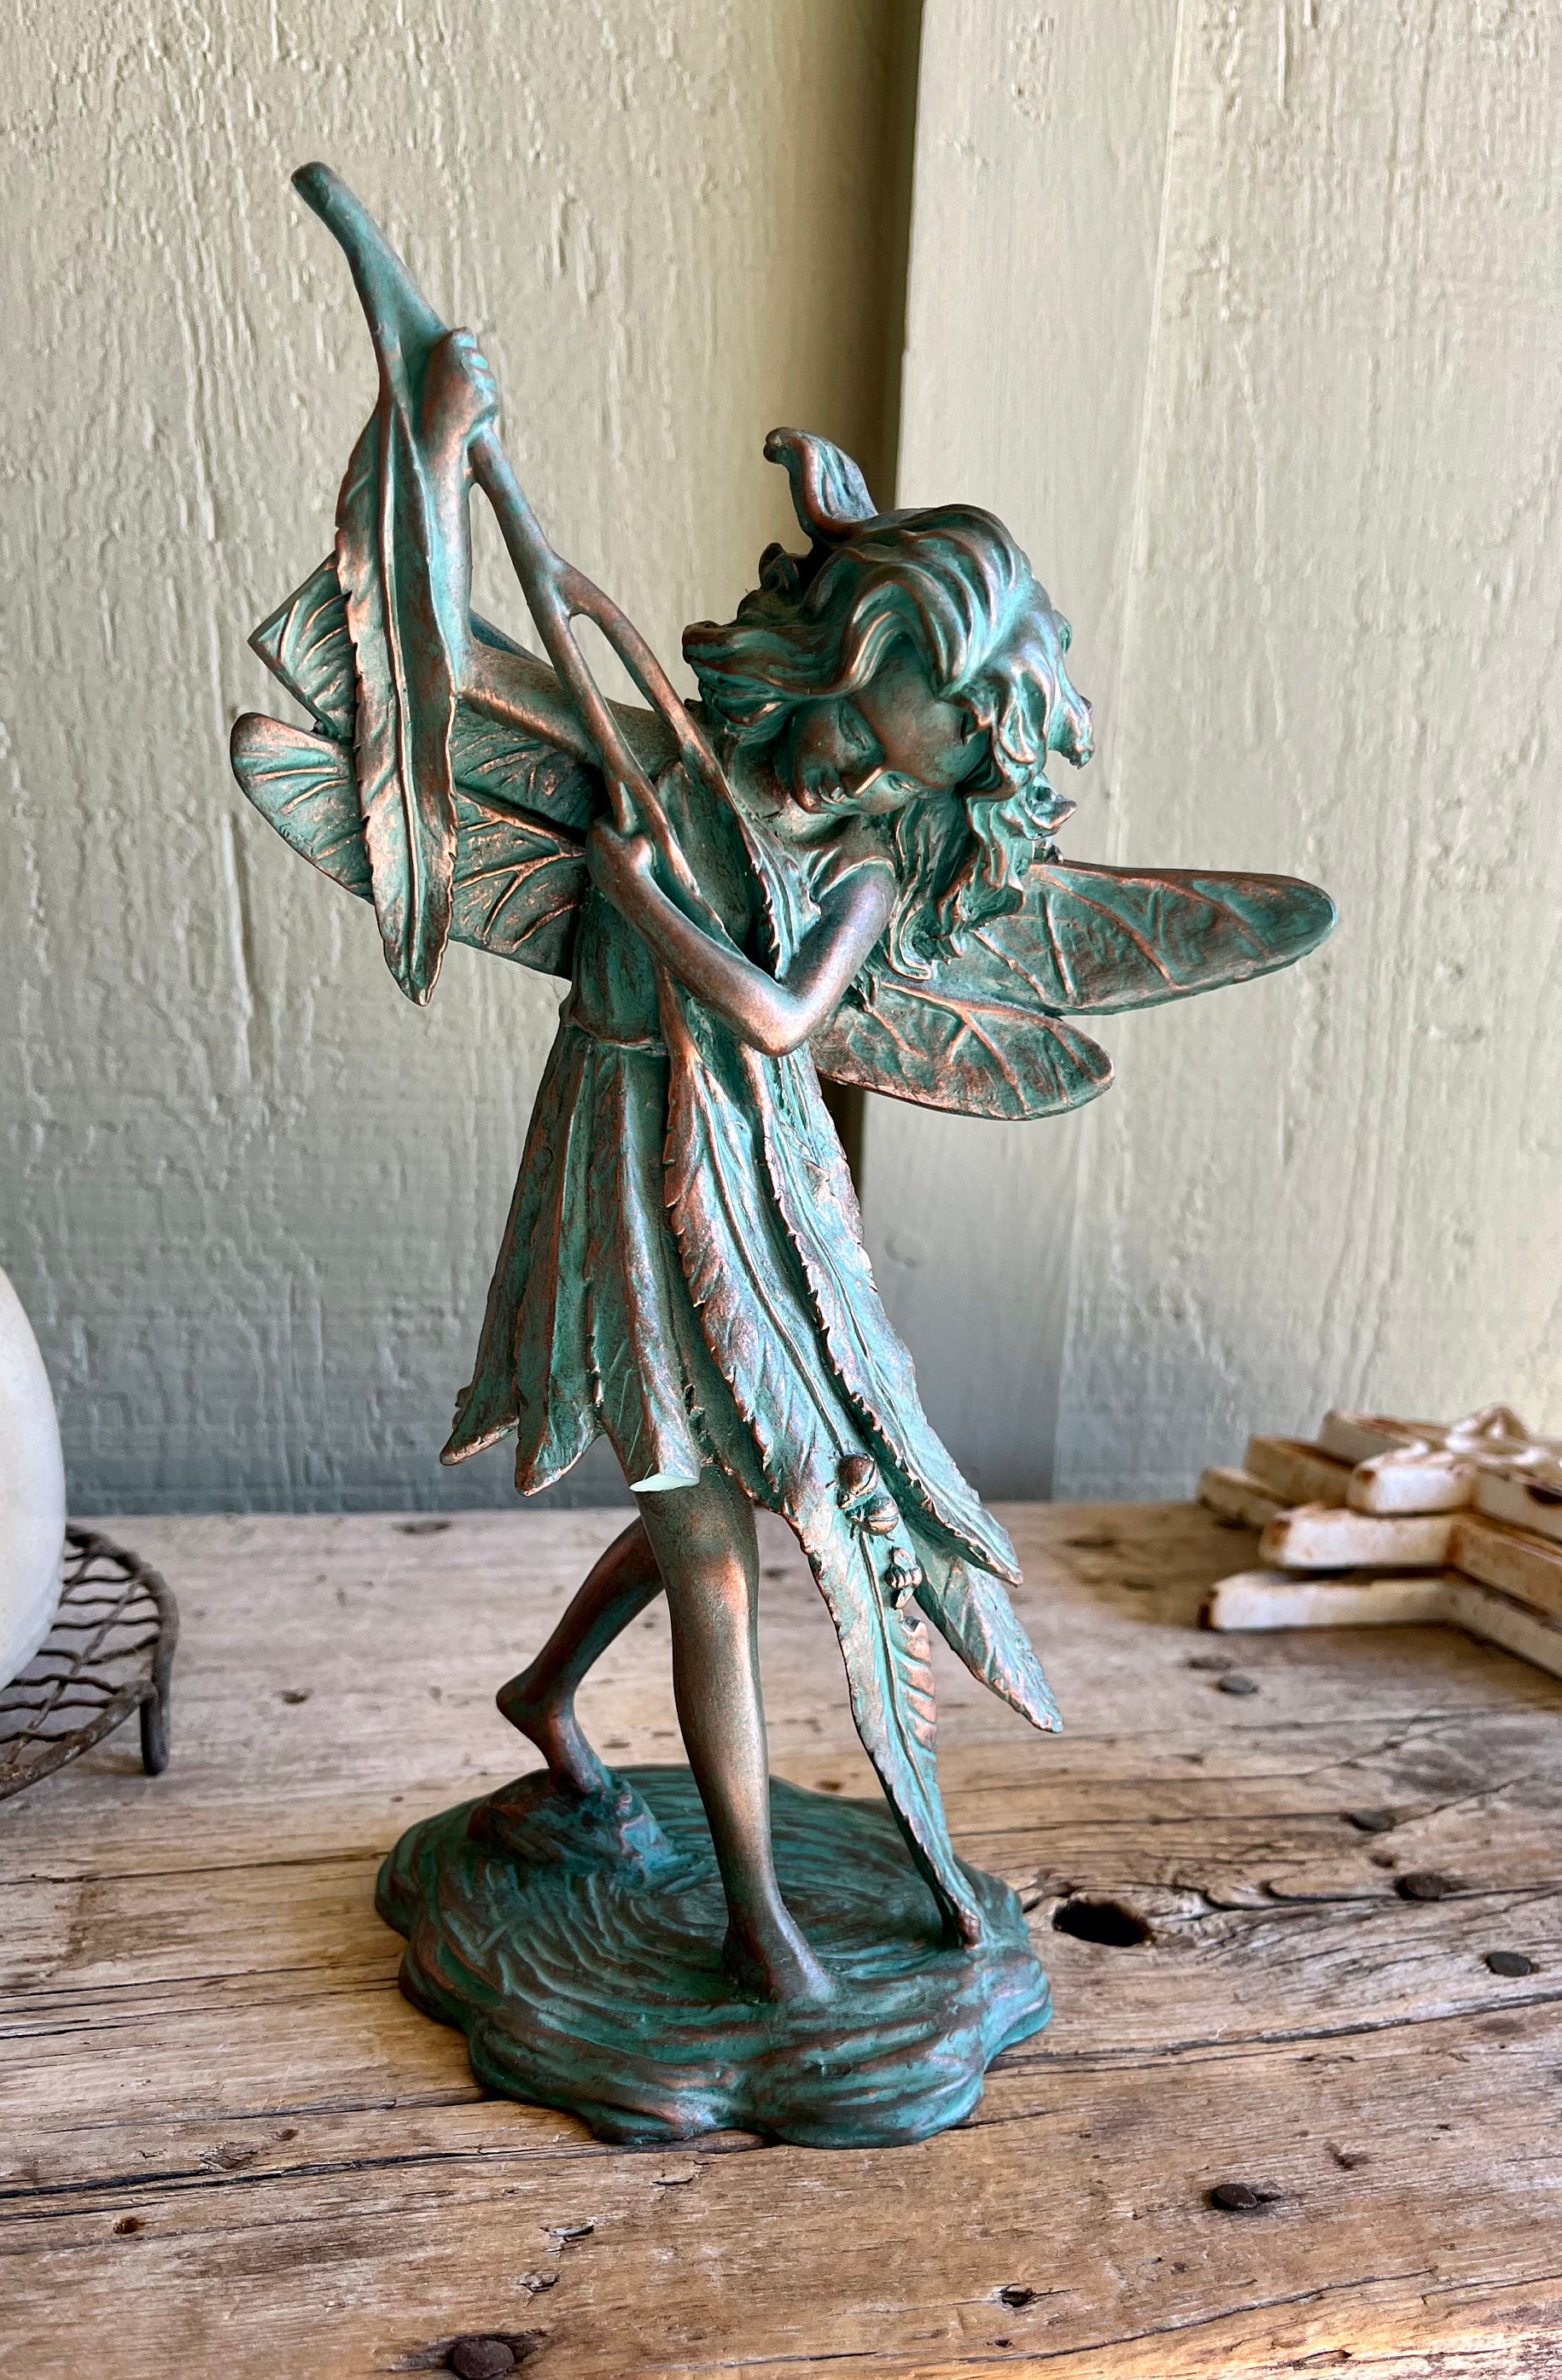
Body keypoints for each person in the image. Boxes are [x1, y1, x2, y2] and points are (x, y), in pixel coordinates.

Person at [416, 338, 1092, 2006]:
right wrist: (451, 451)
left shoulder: (856, 865)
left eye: (962, 744)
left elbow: (782, 1018)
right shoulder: (655, 760)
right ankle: (753, 1918)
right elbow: (446, 650)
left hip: (762, 1191)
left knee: (759, 1489)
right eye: (950, 711)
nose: (948, 752)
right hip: (619, 1157)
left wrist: (642, 899)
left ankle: (544, 1695)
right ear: (867, 655)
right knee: (711, 1549)